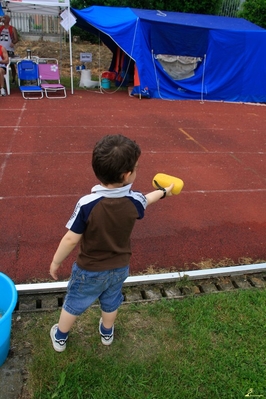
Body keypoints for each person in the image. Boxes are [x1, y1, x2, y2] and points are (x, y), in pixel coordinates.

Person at [49, 134, 175, 352]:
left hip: (89, 269)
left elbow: (71, 238)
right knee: (111, 301)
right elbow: (149, 198)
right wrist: (165, 192)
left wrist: (55, 262)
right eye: (136, 167)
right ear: (127, 176)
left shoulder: (88, 204)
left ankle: (60, 336)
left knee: (75, 302)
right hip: (119, 267)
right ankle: (107, 332)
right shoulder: (134, 201)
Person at [0, 15, 19, 84]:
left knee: (11, 64)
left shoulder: (12, 28)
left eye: (5, 18)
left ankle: (13, 78)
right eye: (3, 17)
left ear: (9, 20)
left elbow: (16, 38)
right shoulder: (1, 28)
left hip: (9, 49)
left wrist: (13, 42)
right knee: (2, 63)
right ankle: (3, 78)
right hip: (1, 49)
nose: (4, 19)